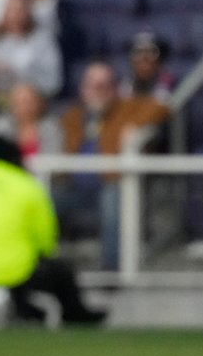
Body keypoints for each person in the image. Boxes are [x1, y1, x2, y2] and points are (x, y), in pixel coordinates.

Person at [0, 129, 106, 326]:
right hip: (17, 271)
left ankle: (25, 310)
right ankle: (75, 317)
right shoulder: (27, 185)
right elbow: (46, 239)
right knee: (61, 272)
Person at [57, 61, 167, 271]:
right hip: (72, 186)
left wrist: (134, 126)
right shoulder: (72, 116)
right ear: (83, 89)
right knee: (42, 199)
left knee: (113, 200)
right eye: (93, 86)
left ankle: (111, 271)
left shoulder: (125, 110)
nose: (99, 91)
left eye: (105, 86)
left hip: (109, 183)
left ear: (115, 89)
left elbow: (160, 107)